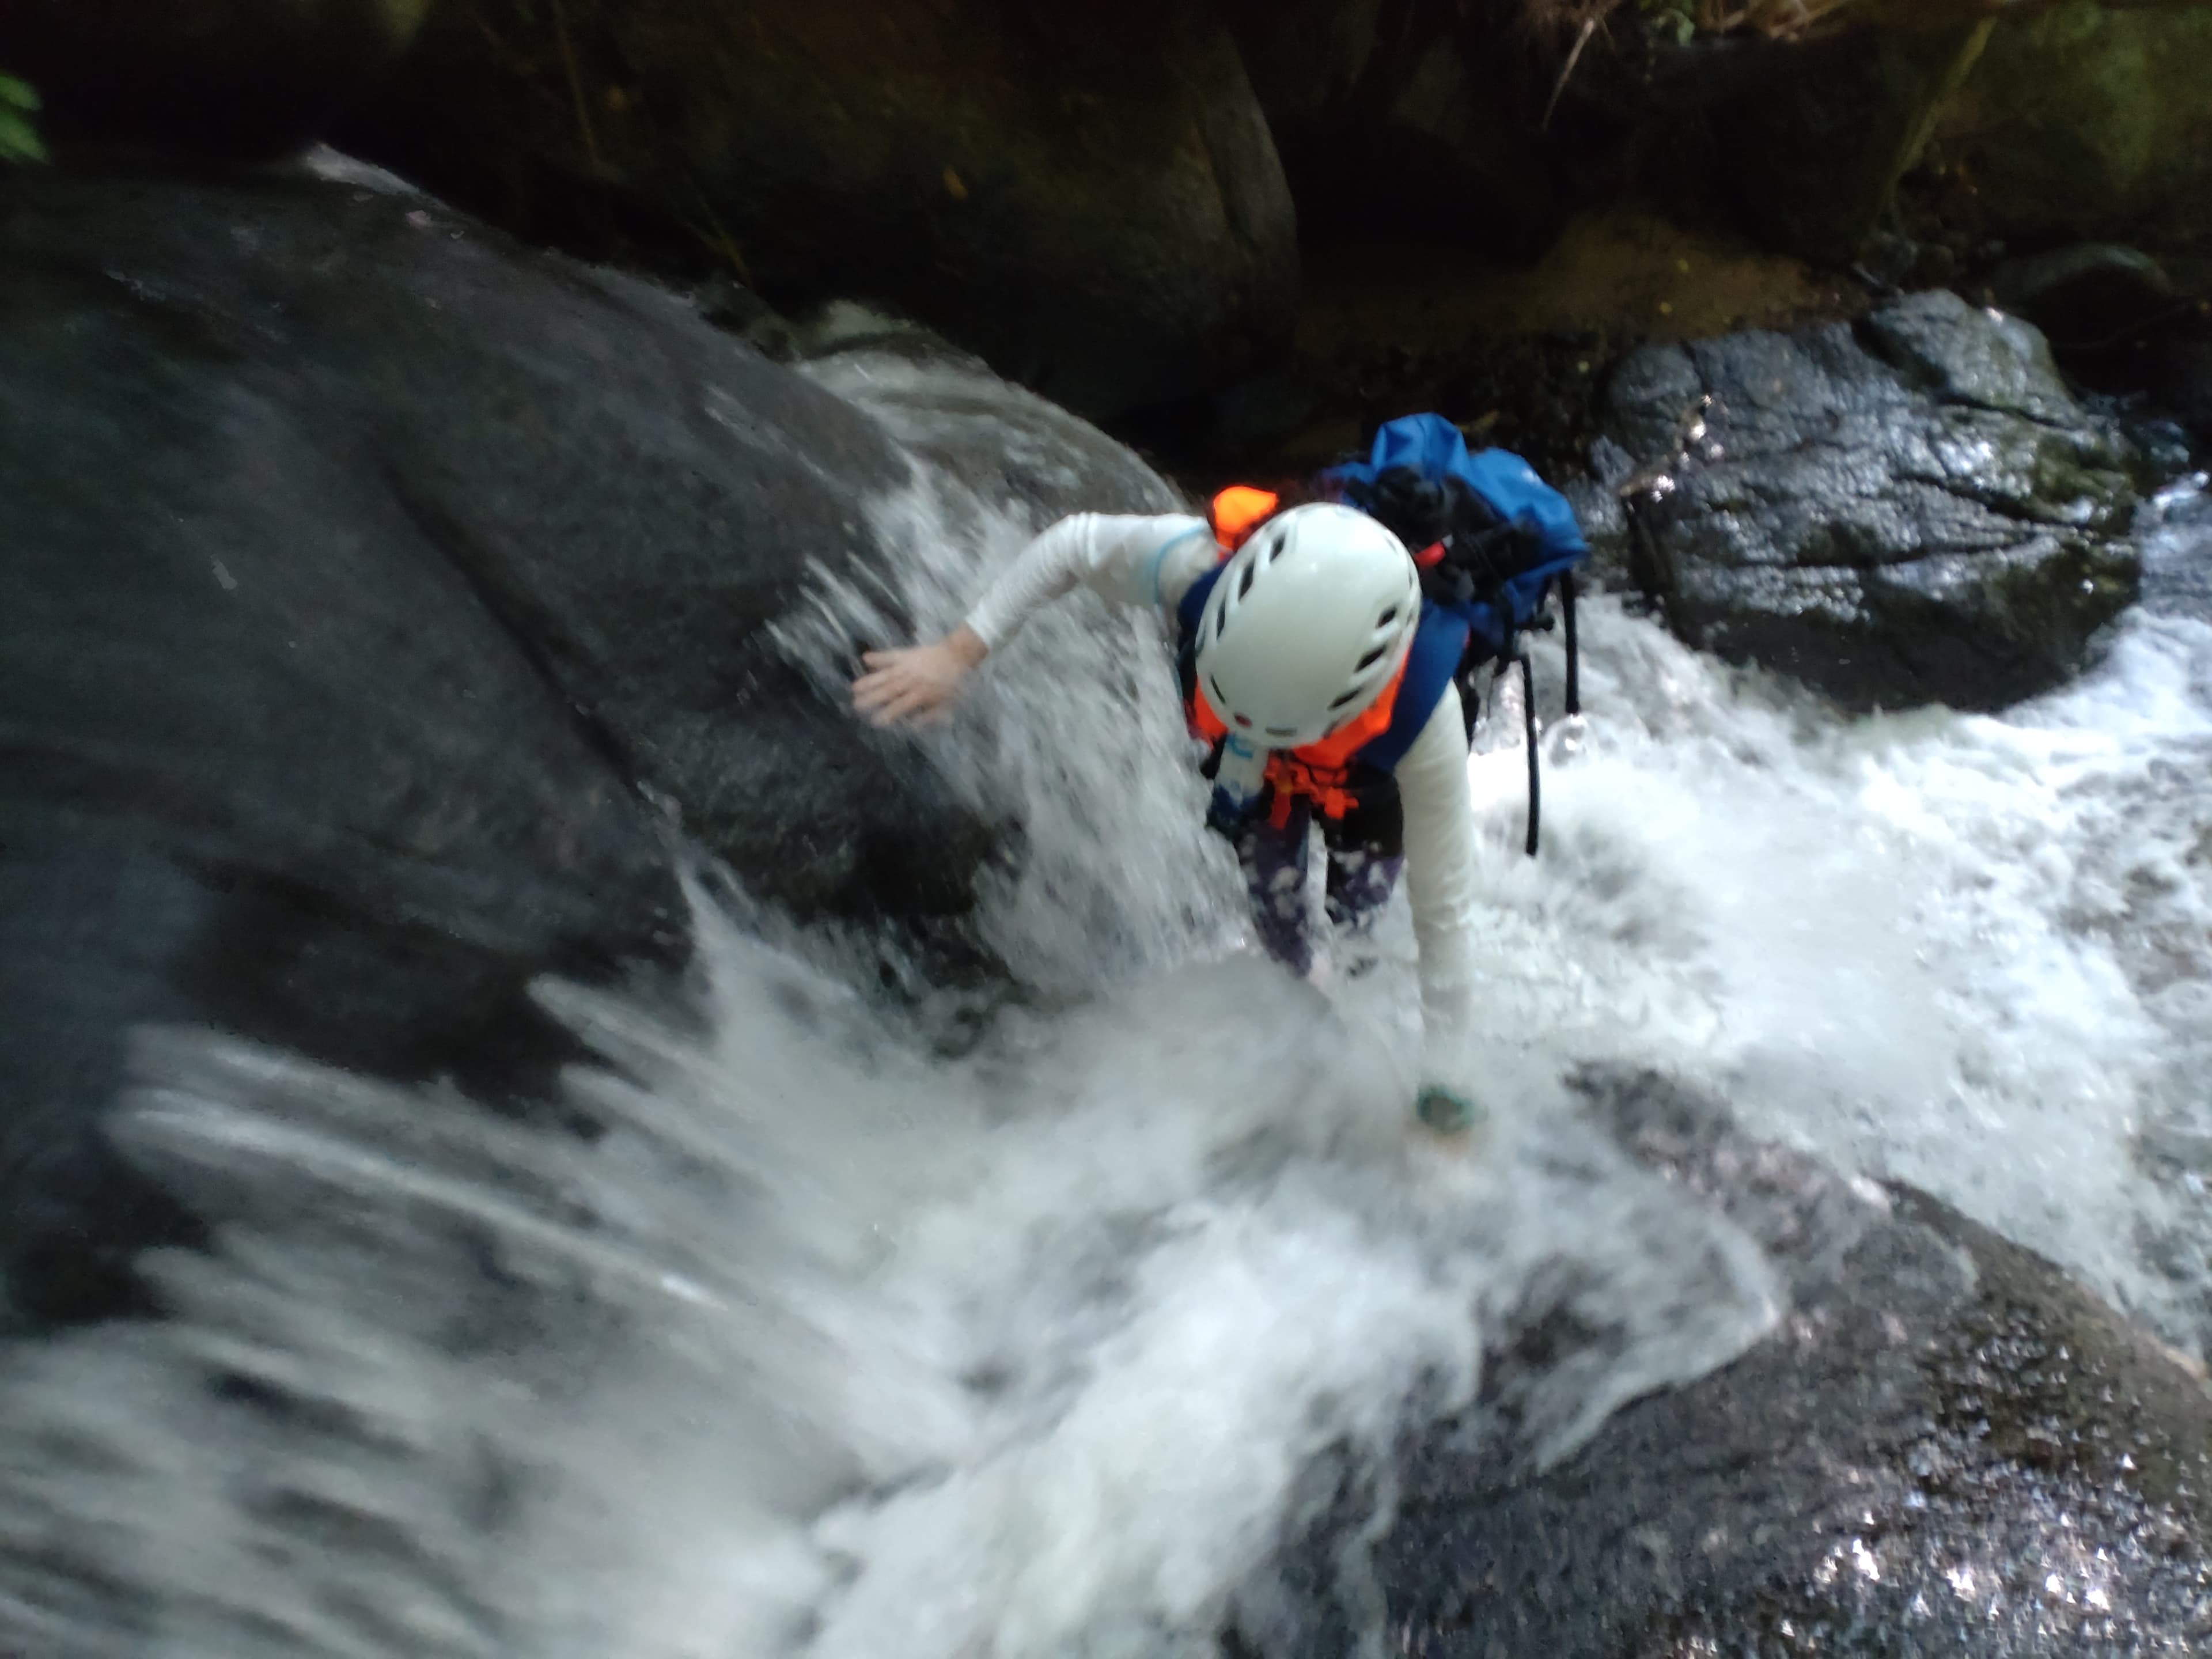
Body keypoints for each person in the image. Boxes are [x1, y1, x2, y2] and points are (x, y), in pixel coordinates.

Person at [852, 422, 1585, 1134]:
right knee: (1273, 897)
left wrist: (1445, 1086)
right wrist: (957, 654)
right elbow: (1073, 546)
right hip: (1254, 767)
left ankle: (1355, 982)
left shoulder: (1422, 720)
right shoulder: (1200, 563)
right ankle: (1301, 991)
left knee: (1359, 908)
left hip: (1369, 778)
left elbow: (1444, 913)